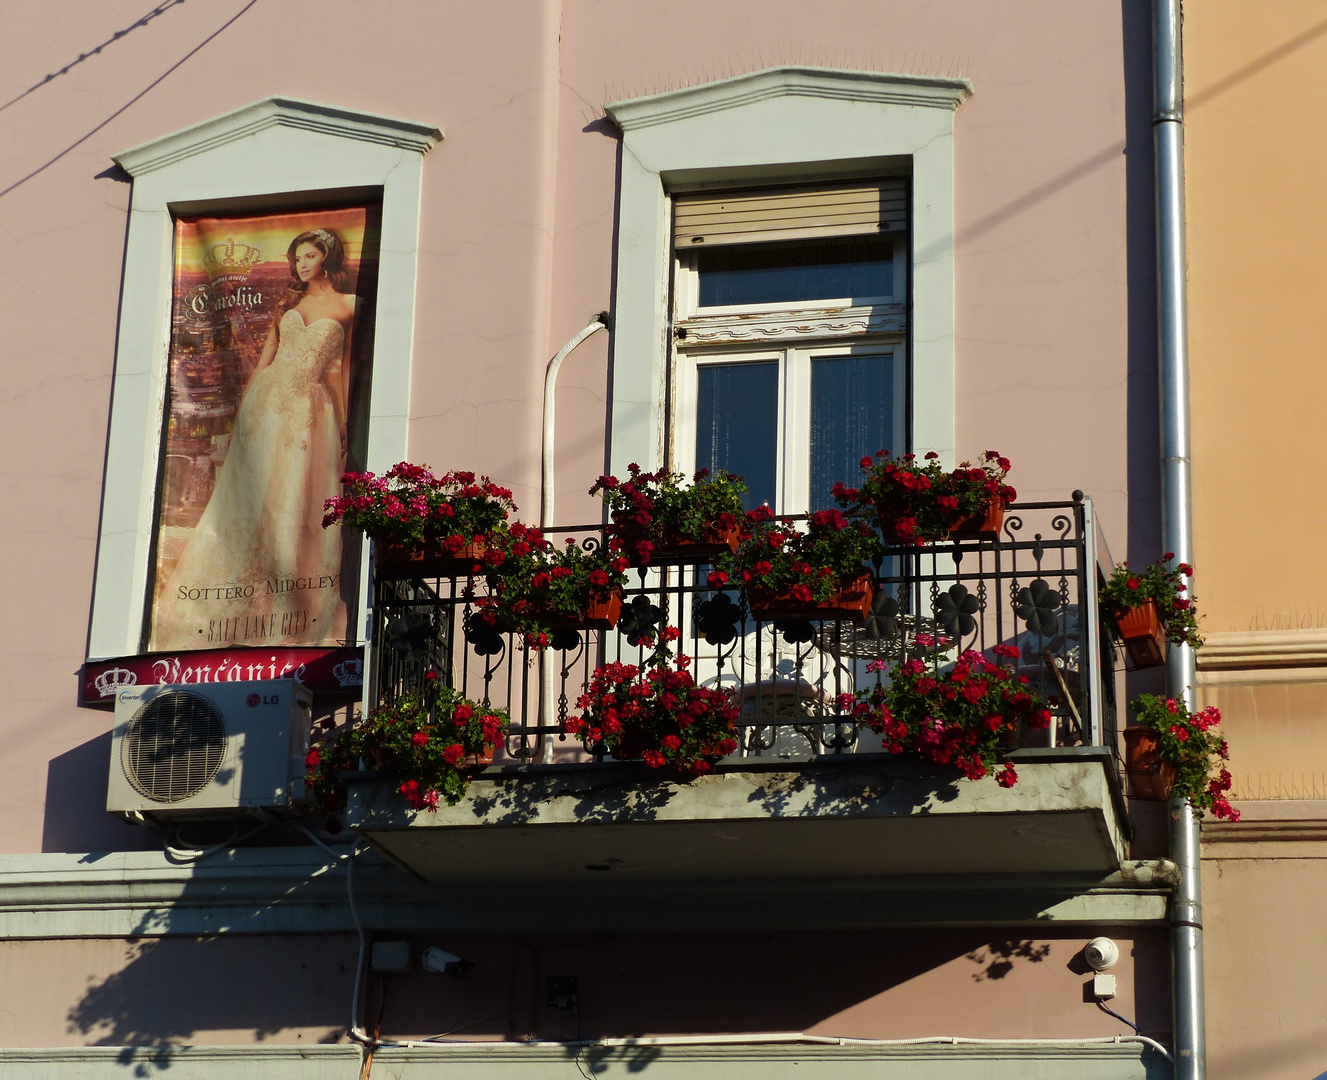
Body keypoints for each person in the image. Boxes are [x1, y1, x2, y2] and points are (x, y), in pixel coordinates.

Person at [149, 227, 359, 650]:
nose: (301, 264)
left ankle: (288, 608)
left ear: (327, 257)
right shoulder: (291, 302)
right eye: (296, 257)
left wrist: (343, 421)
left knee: (296, 496)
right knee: (252, 496)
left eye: (309, 256)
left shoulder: (351, 305)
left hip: (309, 408)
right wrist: (243, 417)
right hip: (267, 403)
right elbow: (265, 361)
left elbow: (340, 366)